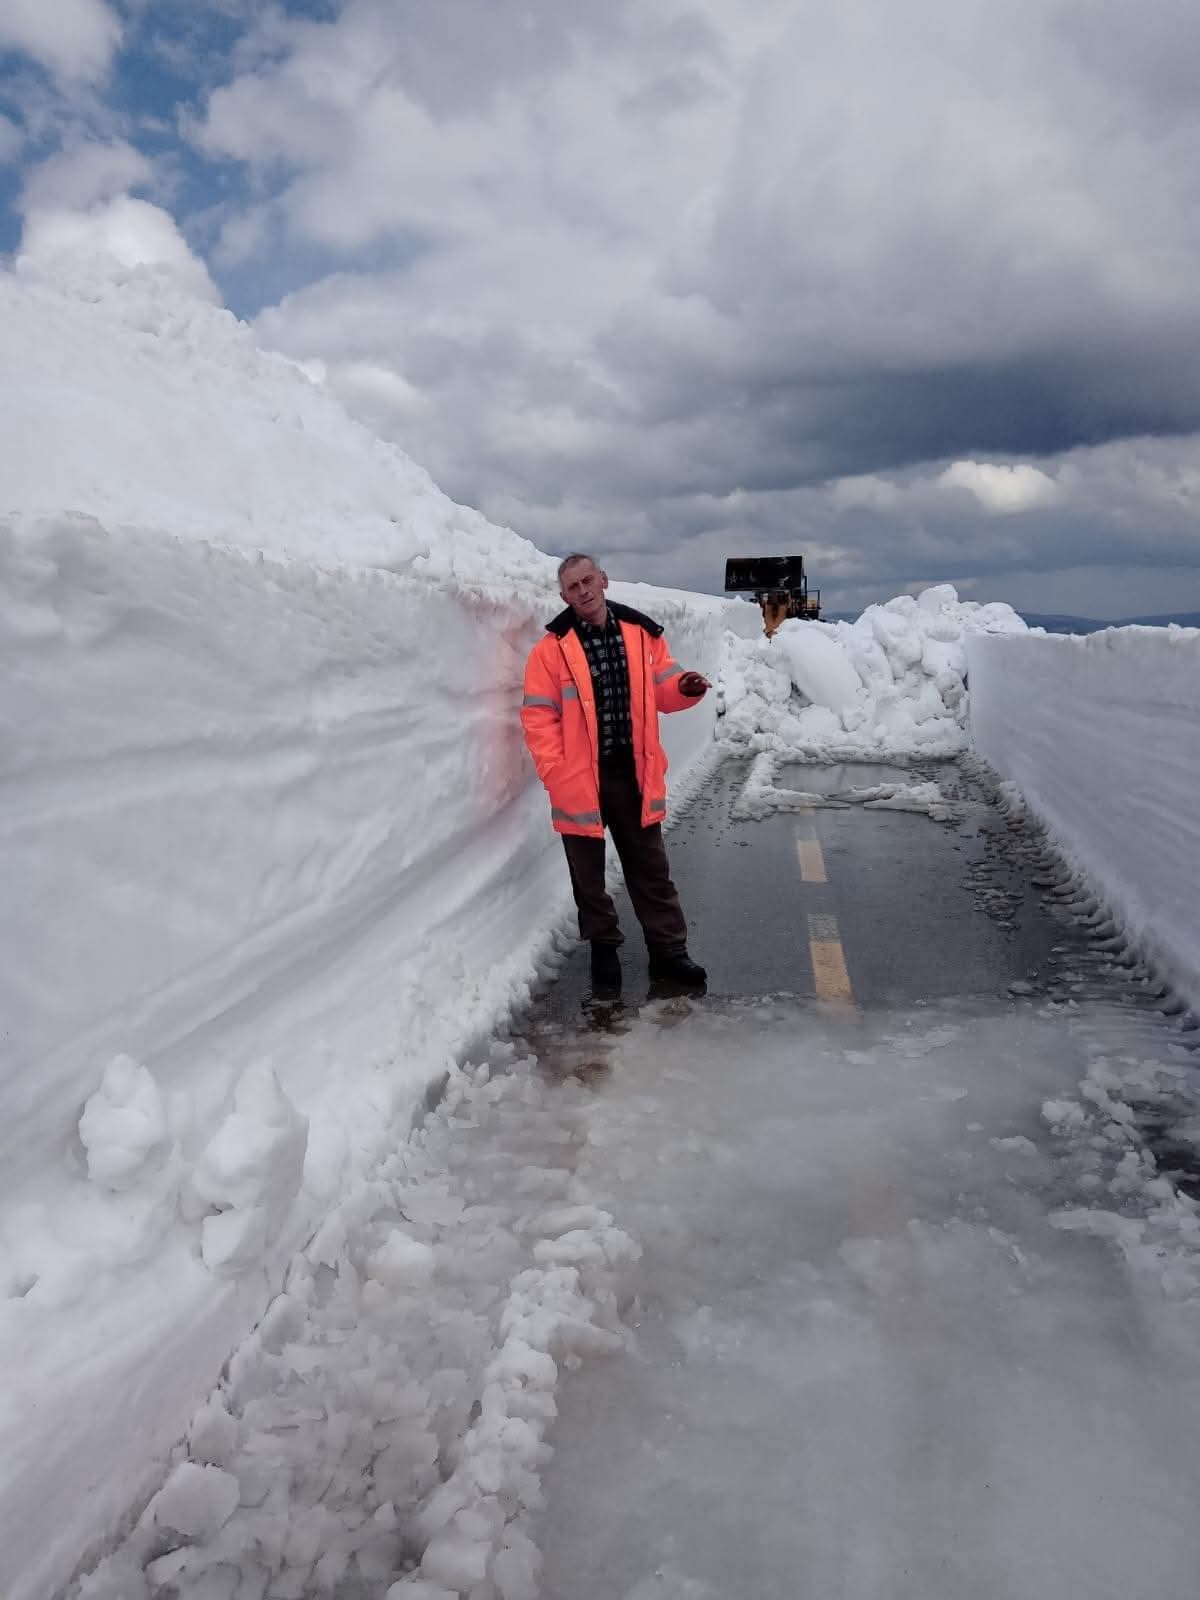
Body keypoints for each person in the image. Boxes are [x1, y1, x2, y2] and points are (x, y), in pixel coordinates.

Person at [521, 553, 709, 992]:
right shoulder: (550, 652)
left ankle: (670, 953)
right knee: (587, 876)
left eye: (588, 580)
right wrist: (556, 772)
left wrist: (684, 688)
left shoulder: (642, 635)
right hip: (579, 778)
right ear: (563, 595)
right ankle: (604, 949)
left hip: (631, 772)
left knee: (650, 868)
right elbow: (538, 718)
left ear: (603, 580)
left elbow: (665, 684)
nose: (583, 591)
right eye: (573, 587)